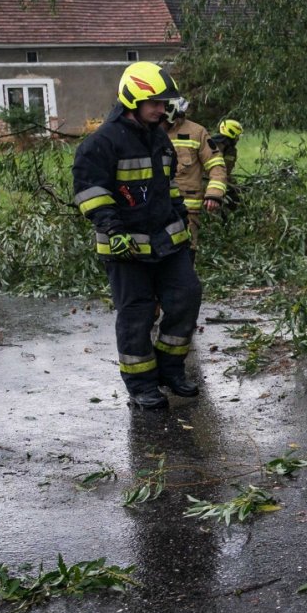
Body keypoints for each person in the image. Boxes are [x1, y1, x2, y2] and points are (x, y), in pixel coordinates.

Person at [71, 62, 202, 411]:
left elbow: (168, 186)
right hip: (125, 248)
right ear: (132, 99)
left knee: (186, 298)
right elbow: (90, 193)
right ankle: (141, 385)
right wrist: (112, 230)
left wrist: (182, 223)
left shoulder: (158, 135)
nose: (163, 109)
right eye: (155, 103)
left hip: (168, 242)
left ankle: (169, 369)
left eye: (164, 102)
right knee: (137, 315)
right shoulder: (100, 144)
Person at [162, 98, 228, 250]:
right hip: (153, 209)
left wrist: (214, 194)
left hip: (187, 211)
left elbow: (216, 165)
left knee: (185, 255)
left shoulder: (196, 132)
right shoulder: (146, 132)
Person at [210, 118, 243, 208]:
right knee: (236, 197)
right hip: (212, 181)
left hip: (201, 178)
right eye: (237, 136)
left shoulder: (210, 141)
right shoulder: (229, 149)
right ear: (232, 133)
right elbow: (224, 170)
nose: (238, 139)